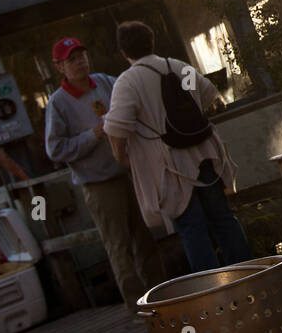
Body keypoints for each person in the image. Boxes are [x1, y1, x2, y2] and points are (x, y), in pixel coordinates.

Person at [102, 21, 252, 273]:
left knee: (192, 228)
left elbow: (117, 128)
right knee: (223, 219)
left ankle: (213, 290)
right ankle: (249, 272)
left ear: (124, 52)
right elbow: (209, 98)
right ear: (152, 41)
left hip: (169, 166)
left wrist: (121, 156)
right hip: (203, 155)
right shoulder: (178, 66)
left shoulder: (127, 83)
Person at [44, 35, 166, 312]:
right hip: (99, 184)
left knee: (147, 239)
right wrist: (93, 135)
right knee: (118, 246)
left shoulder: (108, 82)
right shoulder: (58, 103)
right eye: (71, 59)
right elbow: (55, 150)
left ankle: (161, 298)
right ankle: (137, 308)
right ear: (59, 67)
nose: (79, 62)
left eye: (82, 56)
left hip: (131, 173)